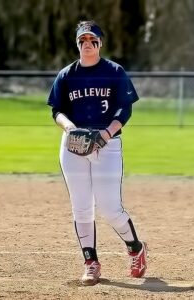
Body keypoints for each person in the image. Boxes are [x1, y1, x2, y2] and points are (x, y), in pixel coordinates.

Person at [47, 20, 147, 286]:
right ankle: (91, 262)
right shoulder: (67, 75)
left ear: (100, 43)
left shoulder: (115, 72)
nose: (87, 44)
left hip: (107, 145)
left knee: (110, 208)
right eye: (82, 40)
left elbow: (124, 110)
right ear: (77, 44)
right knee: (81, 208)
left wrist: (105, 134)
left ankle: (135, 247)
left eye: (92, 40)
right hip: (74, 146)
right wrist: (70, 130)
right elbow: (56, 110)